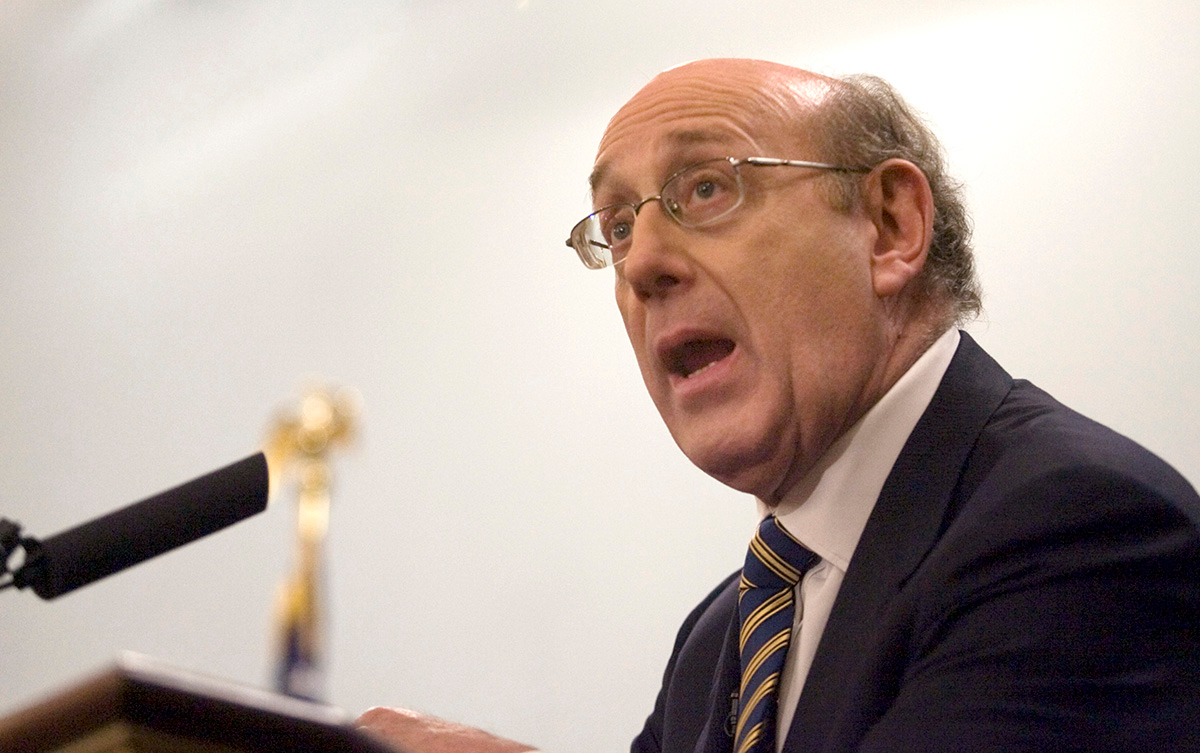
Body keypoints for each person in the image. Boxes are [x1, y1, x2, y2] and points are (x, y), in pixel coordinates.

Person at [357, 59, 1200, 753]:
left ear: (889, 224)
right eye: (615, 227)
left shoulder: (1075, 527)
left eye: (709, 188)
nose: (643, 260)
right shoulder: (724, 632)